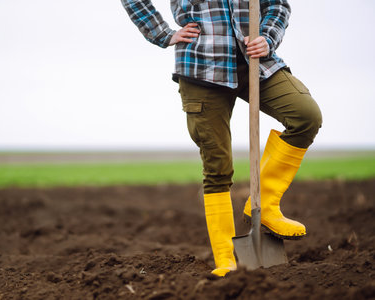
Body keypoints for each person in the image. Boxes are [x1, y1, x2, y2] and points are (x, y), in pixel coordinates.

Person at [121, 0, 322, 277]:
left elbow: (277, 4)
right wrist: (162, 33)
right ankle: (226, 258)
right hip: (202, 65)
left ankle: (263, 205)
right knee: (217, 165)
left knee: (305, 115)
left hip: (255, 61)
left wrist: (268, 37)